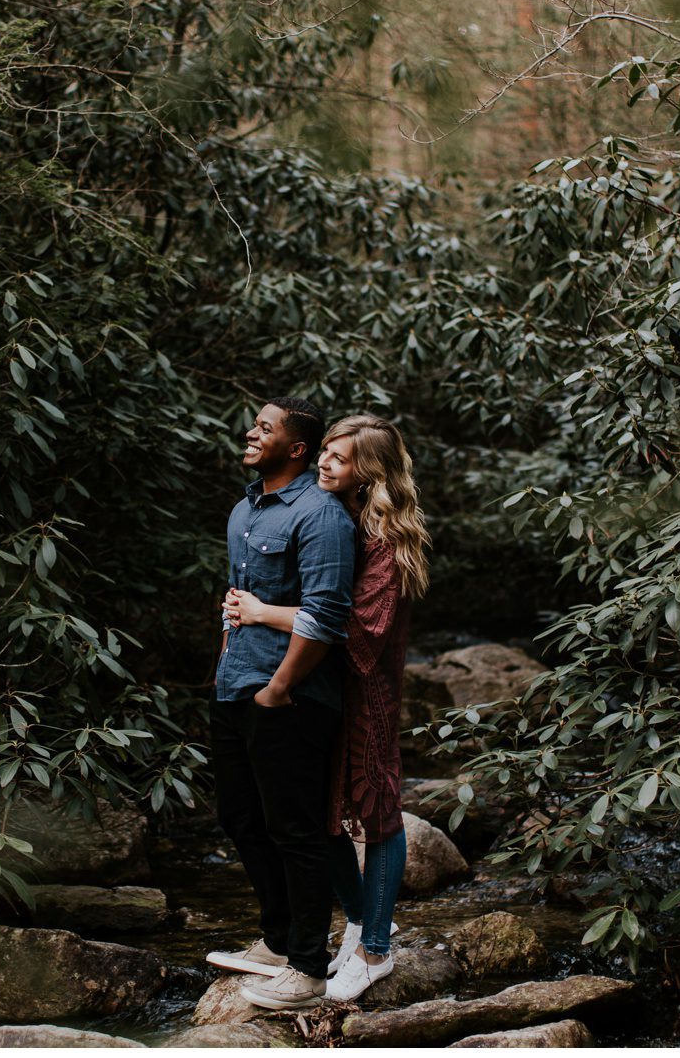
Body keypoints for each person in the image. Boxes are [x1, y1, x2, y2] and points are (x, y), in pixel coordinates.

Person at [224, 414, 428, 1002]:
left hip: (370, 694)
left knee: (379, 809)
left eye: (339, 457)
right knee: (322, 812)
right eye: (326, 453)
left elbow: (356, 626)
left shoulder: (387, 539)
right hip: (325, 689)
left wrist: (263, 612)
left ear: (370, 469)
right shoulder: (336, 518)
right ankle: (363, 924)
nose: (325, 463)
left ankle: (376, 950)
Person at [204, 396, 357, 1011]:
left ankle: (308, 969)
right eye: (254, 424)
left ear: (296, 448)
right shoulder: (245, 508)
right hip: (234, 684)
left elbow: (327, 615)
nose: (251, 432)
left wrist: (280, 688)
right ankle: (277, 940)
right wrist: (224, 659)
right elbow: (237, 596)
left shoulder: (322, 516)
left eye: (265, 428)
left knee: (295, 830)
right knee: (240, 818)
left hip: (290, 698)